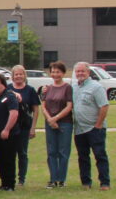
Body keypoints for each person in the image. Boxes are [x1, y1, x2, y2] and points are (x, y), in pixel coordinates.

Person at [71, 62, 111, 191]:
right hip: (79, 129)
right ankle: (86, 182)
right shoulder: (74, 87)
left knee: (100, 155)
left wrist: (98, 125)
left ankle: (105, 183)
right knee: (83, 157)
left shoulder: (96, 87)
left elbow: (104, 106)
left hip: (94, 128)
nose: (80, 74)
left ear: (88, 73)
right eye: (77, 71)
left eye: (82, 71)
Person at [41, 61, 74, 188]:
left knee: (63, 152)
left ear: (63, 73)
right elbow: (43, 105)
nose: (55, 74)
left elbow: (69, 106)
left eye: (58, 72)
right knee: (51, 152)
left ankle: (62, 179)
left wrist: (56, 118)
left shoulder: (67, 88)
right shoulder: (47, 88)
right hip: (49, 123)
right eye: (53, 71)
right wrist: (50, 119)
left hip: (64, 123)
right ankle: (53, 179)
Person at [9, 65, 41, 187]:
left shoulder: (30, 90)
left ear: (24, 76)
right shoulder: (8, 89)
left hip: (24, 126)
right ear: (12, 76)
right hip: (11, 126)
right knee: (10, 153)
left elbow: (36, 110)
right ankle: (9, 177)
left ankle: (21, 179)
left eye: (21, 74)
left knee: (22, 153)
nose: (18, 76)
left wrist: (33, 128)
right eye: (16, 74)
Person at [0, 74, 20, 191]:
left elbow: (14, 113)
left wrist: (6, 129)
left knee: (8, 160)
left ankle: (10, 184)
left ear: (3, 84)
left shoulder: (9, 96)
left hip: (8, 135)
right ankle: (4, 183)